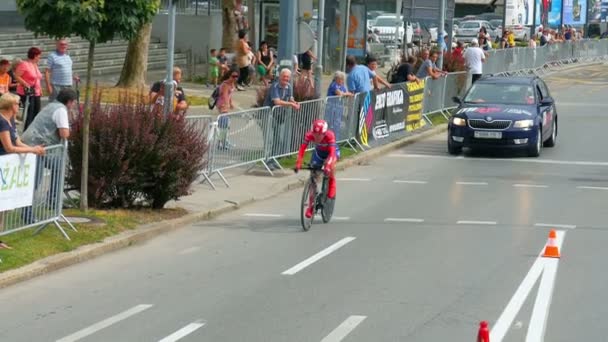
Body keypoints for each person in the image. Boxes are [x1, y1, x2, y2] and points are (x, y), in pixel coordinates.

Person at [294, 119, 338, 218]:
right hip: (318, 153)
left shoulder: (330, 135)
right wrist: (298, 163)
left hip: (331, 153)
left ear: (324, 133)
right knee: (313, 174)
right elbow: (302, 149)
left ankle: (332, 184)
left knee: (329, 166)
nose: (317, 137)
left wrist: (327, 166)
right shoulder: (309, 135)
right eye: (315, 134)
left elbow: (332, 154)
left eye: (319, 135)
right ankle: (311, 206)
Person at [14, 47, 43, 130]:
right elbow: (17, 76)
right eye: (39, 56)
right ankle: (27, 131)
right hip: (27, 92)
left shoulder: (35, 65)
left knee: (36, 111)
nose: (39, 57)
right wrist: (25, 83)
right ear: (34, 55)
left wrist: (40, 89)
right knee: (30, 112)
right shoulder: (24, 64)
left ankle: (33, 130)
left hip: (36, 92)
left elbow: (37, 78)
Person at [216, 69, 239, 150]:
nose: (235, 78)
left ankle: (222, 142)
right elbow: (225, 96)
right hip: (222, 105)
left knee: (224, 125)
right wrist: (226, 105)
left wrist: (231, 103)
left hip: (226, 105)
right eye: (233, 76)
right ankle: (222, 143)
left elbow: (230, 95)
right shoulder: (225, 84)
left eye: (236, 76)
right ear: (229, 76)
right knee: (224, 125)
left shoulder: (232, 84)